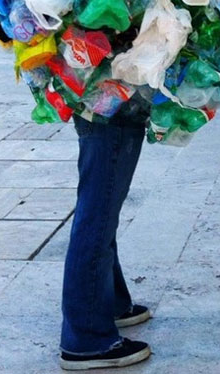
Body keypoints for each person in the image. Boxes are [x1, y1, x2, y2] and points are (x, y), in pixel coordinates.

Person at [59, 97, 152, 370]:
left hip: (105, 102)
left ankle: (111, 303)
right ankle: (86, 338)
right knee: (97, 215)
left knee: (103, 211)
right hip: (109, 104)